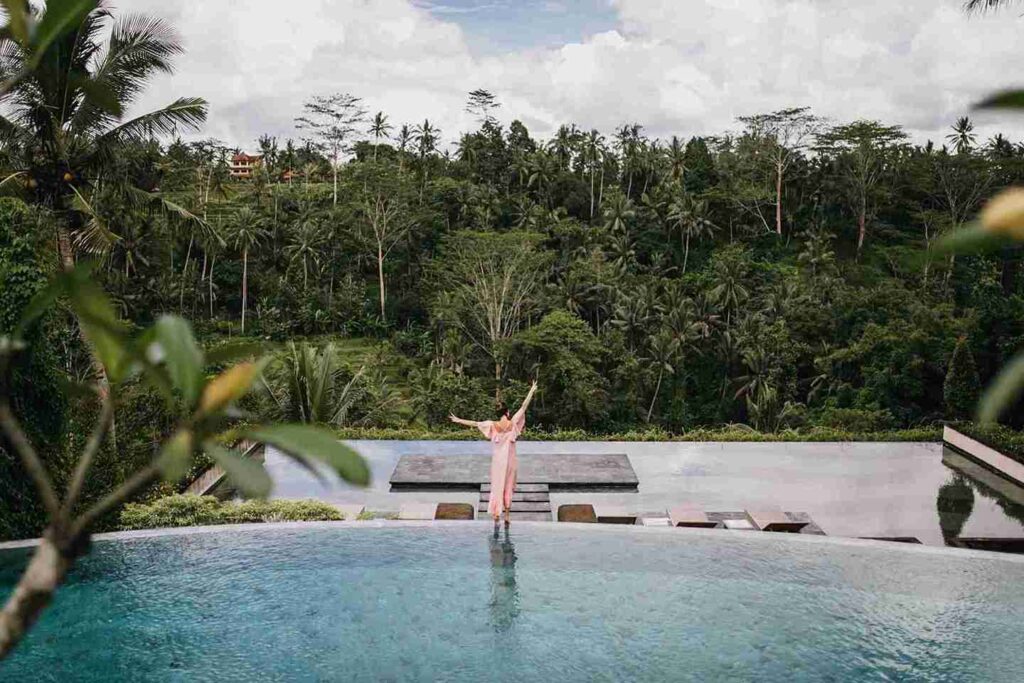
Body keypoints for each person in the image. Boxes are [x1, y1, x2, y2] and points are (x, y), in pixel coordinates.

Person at [450, 380, 538, 528]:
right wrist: (532, 390)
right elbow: (524, 406)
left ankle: (497, 514)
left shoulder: (492, 425)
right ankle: (508, 515)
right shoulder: (513, 422)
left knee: (497, 486)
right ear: (507, 412)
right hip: (510, 461)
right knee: (509, 485)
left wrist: (458, 420)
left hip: (498, 462)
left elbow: (475, 423)